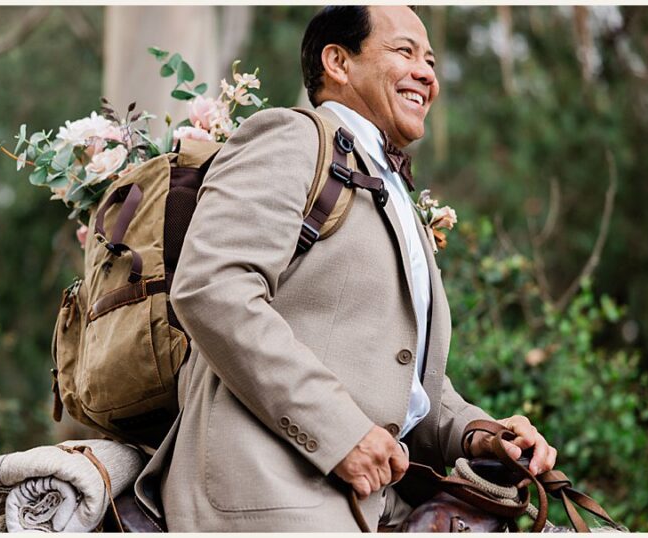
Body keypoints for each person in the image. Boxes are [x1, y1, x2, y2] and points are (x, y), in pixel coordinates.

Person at [133, 6, 556, 531]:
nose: (427, 73)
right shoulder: (291, 137)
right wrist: (340, 433)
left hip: (377, 503)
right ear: (338, 61)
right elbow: (212, 286)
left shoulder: (392, 189)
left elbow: (405, 379)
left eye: (430, 59)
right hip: (270, 495)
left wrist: (480, 433)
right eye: (404, 51)